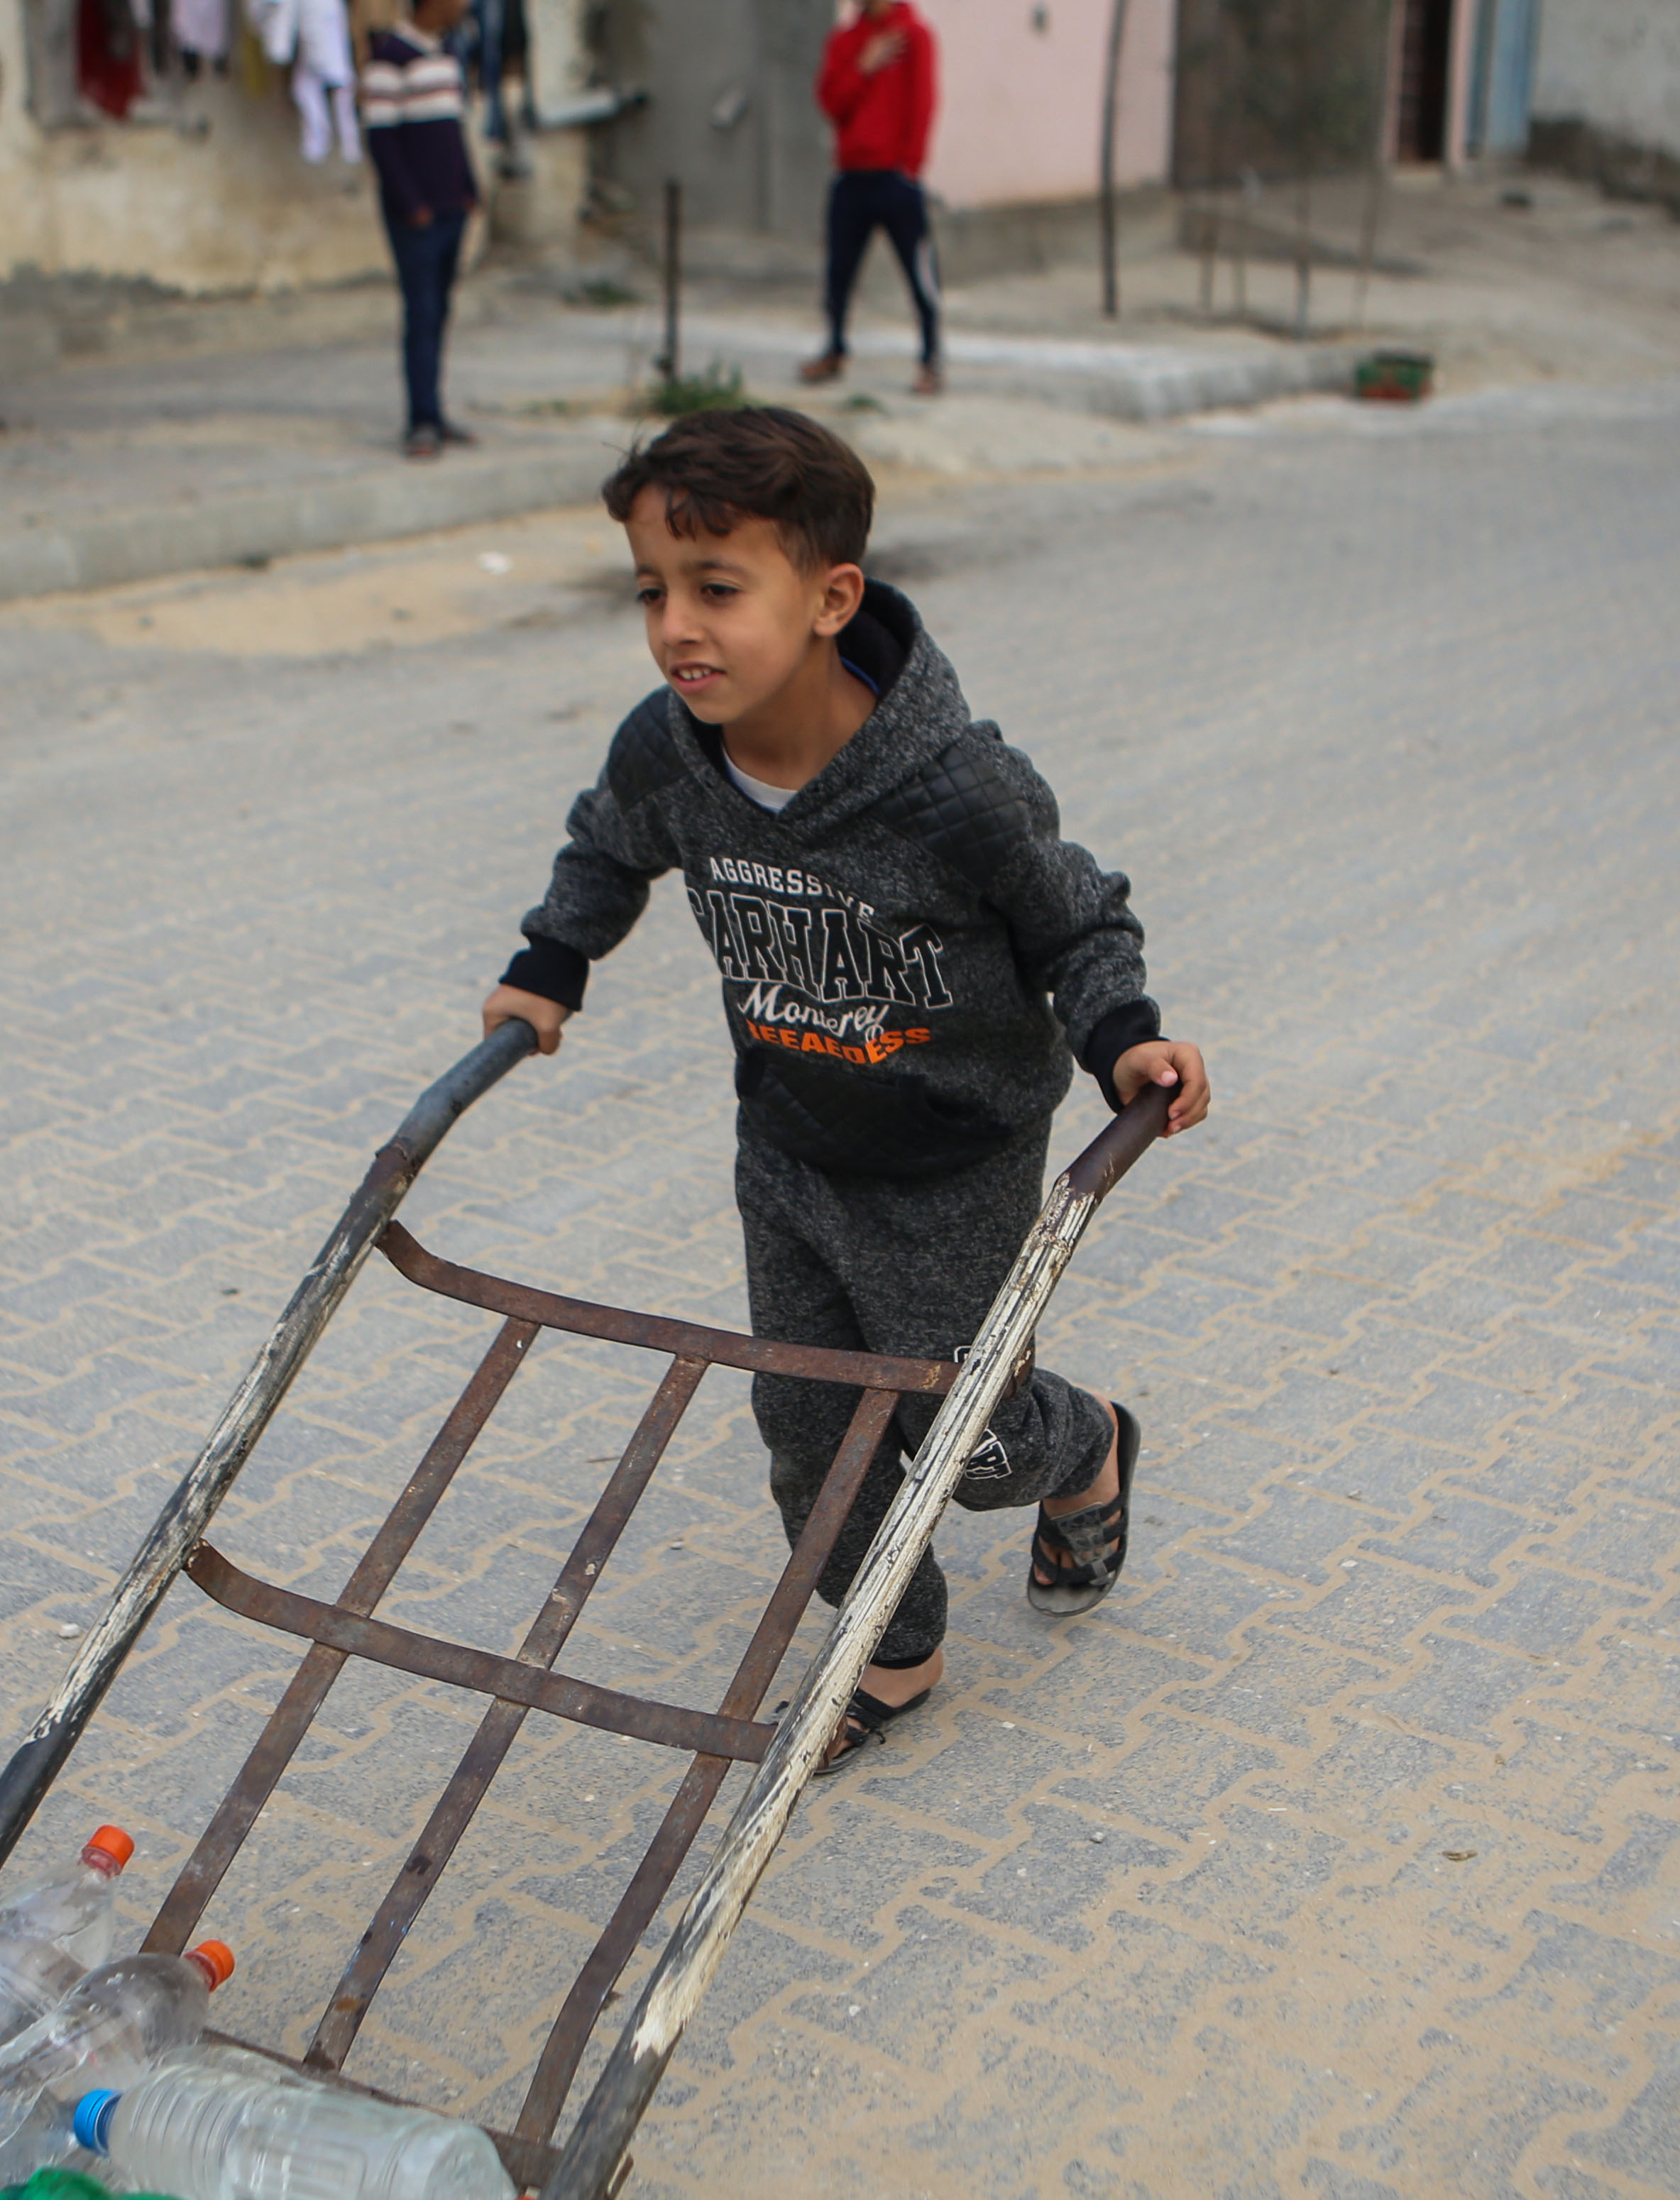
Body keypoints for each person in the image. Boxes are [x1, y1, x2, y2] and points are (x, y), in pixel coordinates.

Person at [478, 409, 1212, 1771]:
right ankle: (895, 1646)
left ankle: (1090, 1445)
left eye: (716, 588)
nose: (675, 628)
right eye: (650, 591)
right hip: (790, 1140)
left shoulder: (954, 788)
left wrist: (1124, 1036)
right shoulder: (669, 751)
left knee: (971, 1443)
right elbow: (608, 846)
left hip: (951, 1160)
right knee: (809, 1425)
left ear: (830, 599)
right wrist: (550, 962)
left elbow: (1076, 919)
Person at [801, 0, 943, 397]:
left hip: (896, 177)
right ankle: (834, 348)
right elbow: (831, 102)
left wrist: (910, 166)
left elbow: (924, 101)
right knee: (838, 271)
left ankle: (931, 359)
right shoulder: (846, 40)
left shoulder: (914, 36)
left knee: (919, 272)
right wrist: (862, 66)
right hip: (851, 176)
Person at [360, 0, 481, 458]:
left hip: (452, 207)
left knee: (440, 311)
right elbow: (382, 140)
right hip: (418, 215)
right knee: (422, 313)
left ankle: (435, 409)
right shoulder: (389, 59)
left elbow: (453, 130)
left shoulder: (447, 53)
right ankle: (422, 420)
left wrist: (468, 187)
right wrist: (411, 204)